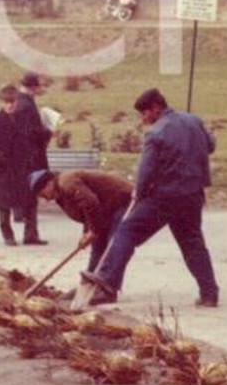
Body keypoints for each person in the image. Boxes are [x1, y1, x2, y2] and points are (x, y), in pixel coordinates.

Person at [79, 88, 219, 307]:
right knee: (192, 243)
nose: (143, 119)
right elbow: (210, 146)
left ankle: (107, 285)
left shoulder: (156, 133)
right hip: (193, 195)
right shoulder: (193, 121)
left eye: (144, 113)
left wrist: (140, 191)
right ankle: (209, 293)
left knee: (126, 232)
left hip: (164, 198)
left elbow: (146, 170)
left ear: (155, 108)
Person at [29, 168, 134, 279]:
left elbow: (91, 203)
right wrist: (87, 233)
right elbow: (86, 213)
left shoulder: (66, 182)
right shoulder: (60, 194)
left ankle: (107, 286)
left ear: (49, 183)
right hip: (108, 209)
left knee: (113, 247)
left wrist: (92, 231)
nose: (44, 199)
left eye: (42, 194)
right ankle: (91, 280)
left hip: (124, 202)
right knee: (98, 246)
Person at [0, 85, 40, 246]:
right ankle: (8, 236)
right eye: (6, 101)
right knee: (3, 204)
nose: (10, 105)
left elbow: (35, 139)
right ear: (1, 102)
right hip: (4, 169)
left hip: (23, 168)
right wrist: (0, 158)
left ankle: (31, 236)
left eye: (13, 101)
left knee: (31, 201)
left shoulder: (24, 120)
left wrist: (32, 155)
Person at [12, 72, 53, 244]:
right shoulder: (27, 105)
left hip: (21, 157)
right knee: (31, 196)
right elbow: (31, 132)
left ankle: (30, 232)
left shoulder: (18, 102)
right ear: (33, 87)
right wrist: (49, 131)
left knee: (28, 194)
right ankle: (30, 234)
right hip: (31, 158)